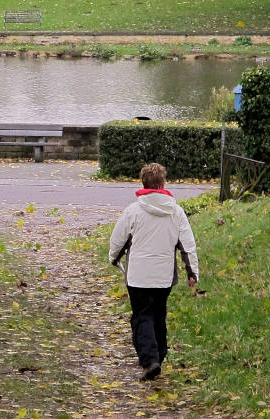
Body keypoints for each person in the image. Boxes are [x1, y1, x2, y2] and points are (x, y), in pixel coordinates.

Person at [108, 161, 199, 381]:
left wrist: (114, 258)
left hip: (138, 275)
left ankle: (150, 359)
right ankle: (160, 354)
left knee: (142, 316)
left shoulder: (133, 211)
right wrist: (192, 272)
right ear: (163, 183)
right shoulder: (175, 212)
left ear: (143, 182)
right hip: (164, 276)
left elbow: (119, 240)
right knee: (159, 315)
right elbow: (187, 244)